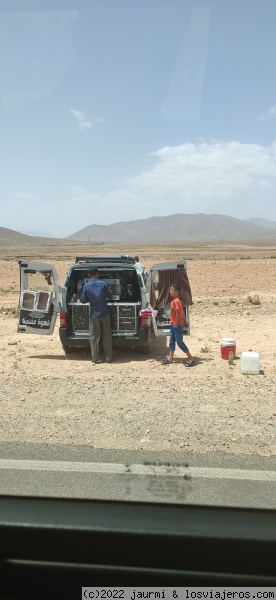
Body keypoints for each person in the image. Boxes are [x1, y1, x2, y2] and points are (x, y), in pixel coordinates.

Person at [81, 268, 114, 364]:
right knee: (107, 336)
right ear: (97, 274)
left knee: (94, 336)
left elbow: (83, 300)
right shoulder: (103, 284)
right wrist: (110, 291)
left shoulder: (86, 286)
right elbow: (110, 297)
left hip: (94, 315)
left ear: (89, 275)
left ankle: (94, 358)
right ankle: (109, 358)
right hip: (105, 313)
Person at [163, 282, 195, 366]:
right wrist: (183, 321)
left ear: (177, 292)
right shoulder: (175, 301)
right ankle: (170, 357)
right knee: (172, 341)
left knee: (179, 342)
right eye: (170, 290)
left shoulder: (176, 302)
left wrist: (176, 323)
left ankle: (190, 358)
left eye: (172, 290)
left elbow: (178, 314)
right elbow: (181, 312)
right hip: (173, 324)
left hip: (176, 325)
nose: (170, 291)